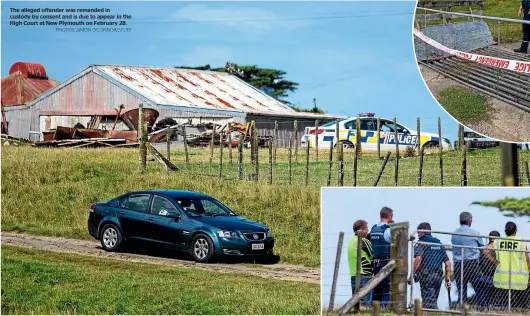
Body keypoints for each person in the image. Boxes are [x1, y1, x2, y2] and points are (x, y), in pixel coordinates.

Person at [486, 222, 530, 310]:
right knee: (523, 302)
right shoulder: (521, 242)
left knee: (503, 301)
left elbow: (486, 250)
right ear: (515, 231)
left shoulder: (499, 241)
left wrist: (496, 261)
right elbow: (527, 260)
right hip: (519, 277)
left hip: (503, 277)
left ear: (505, 231)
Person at [408, 223, 451, 310]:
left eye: (418, 232)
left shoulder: (421, 242)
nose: (418, 235)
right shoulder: (439, 243)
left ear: (422, 232)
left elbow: (418, 259)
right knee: (432, 300)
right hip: (438, 277)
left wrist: (411, 276)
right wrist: (447, 278)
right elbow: (448, 263)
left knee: (429, 305)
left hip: (427, 277)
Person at [451, 211, 487, 311]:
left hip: (458, 263)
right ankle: (481, 306)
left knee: (461, 287)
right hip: (472, 263)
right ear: (470, 222)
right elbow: (483, 248)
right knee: (478, 285)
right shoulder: (475, 233)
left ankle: (462, 307)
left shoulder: (454, 234)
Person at [368, 206, 393, 308]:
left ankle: (371, 309)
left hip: (374, 263)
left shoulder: (373, 229)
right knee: (387, 289)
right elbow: (400, 239)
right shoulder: (387, 230)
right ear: (389, 216)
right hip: (386, 263)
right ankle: (383, 309)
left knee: (376, 287)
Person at [347, 220, 373, 308]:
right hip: (364, 274)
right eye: (366, 229)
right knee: (365, 303)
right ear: (361, 230)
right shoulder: (363, 241)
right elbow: (373, 254)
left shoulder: (351, 241)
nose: (367, 232)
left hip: (354, 274)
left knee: (356, 303)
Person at [480, 231, 501, 310]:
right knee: (494, 295)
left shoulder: (484, 248)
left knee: (489, 295)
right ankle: (493, 307)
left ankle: (488, 307)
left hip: (488, 275)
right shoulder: (496, 249)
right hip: (492, 275)